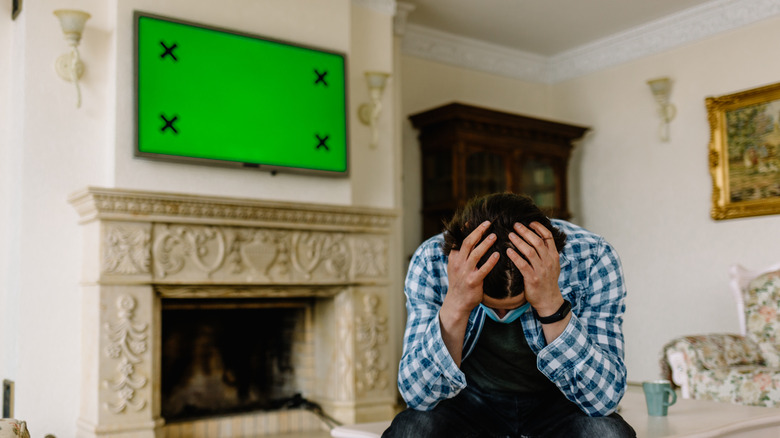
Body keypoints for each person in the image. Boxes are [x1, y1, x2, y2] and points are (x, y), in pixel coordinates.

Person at [383, 192, 635, 437]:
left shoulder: (593, 257)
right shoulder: (431, 260)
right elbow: (417, 396)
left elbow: (604, 400)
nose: (502, 315)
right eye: (490, 306)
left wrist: (550, 304)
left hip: (559, 401)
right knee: (410, 430)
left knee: (609, 433)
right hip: (467, 401)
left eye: (517, 306)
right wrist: (456, 304)